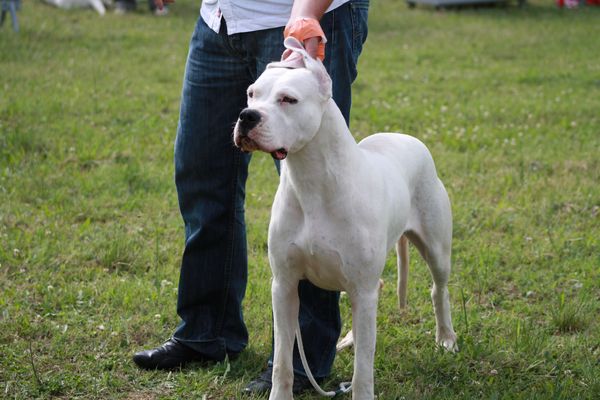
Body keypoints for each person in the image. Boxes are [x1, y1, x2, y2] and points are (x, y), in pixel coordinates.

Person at [132, 0, 369, 394]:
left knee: (317, 195)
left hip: (305, 18)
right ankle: (207, 333)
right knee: (202, 176)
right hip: (222, 20)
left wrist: (307, 12)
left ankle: (302, 362)